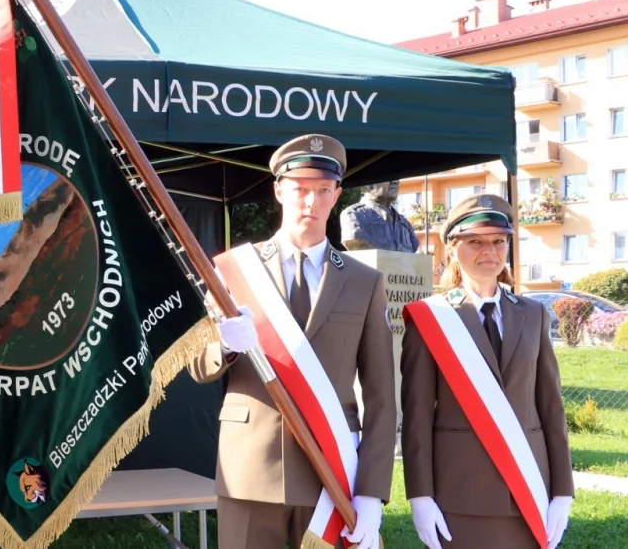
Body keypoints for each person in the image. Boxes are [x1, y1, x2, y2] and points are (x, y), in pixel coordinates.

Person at [188, 134, 395, 549]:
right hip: (250, 466)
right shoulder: (233, 271)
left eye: (322, 191)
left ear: (336, 195)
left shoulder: (364, 282)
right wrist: (225, 345)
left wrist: (372, 491)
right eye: (300, 189)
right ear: (279, 189)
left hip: (331, 472)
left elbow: (382, 396)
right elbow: (196, 364)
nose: (310, 203)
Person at [401, 193, 573, 549]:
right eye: (475, 242)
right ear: (451, 248)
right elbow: (417, 416)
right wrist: (420, 495)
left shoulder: (533, 314)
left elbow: (551, 407)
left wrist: (562, 491)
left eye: (499, 241)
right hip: (460, 493)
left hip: (528, 485)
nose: (489, 251)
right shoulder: (431, 318)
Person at [340, 180, 421, 253]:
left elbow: (414, 247)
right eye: (389, 175)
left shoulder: (405, 224)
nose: (396, 181)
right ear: (367, 184)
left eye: (397, 177)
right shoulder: (353, 215)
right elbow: (355, 242)